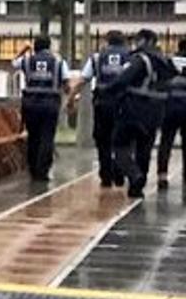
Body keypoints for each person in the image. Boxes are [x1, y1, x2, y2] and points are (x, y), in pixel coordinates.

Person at [108, 29, 175, 198]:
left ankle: (133, 174)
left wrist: (109, 91)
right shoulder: (166, 62)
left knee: (120, 146)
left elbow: (122, 80)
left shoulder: (141, 60)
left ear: (145, 41)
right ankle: (137, 187)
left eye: (138, 40)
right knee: (144, 148)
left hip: (133, 109)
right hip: (156, 112)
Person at [69, 31, 129, 187]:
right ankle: (119, 169)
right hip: (124, 105)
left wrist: (70, 99)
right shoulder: (131, 57)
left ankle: (106, 175)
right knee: (123, 140)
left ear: (107, 42)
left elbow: (83, 80)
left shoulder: (97, 58)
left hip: (102, 104)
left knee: (103, 141)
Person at [12, 36, 68, 182]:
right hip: (50, 105)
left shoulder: (27, 60)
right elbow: (66, 83)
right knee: (47, 137)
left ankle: (33, 169)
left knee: (33, 137)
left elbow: (13, 63)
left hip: (30, 104)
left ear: (35, 46)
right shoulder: (58, 62)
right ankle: (42, 171)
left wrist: (23, 50)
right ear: (49, 47)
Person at [155, 38, 186, 188]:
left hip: (169, 107)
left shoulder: (168, 62)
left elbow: (160, 84)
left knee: (166, 142)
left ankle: (162, 175)